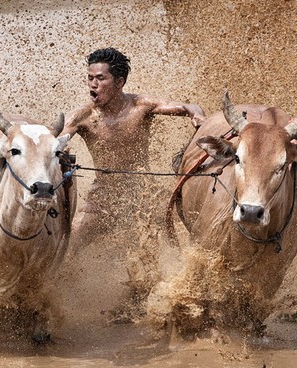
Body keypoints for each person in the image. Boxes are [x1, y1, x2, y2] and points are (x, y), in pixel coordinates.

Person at [62, 47, 206, 246]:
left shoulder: (140, 105)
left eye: (101, 79)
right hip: (103, 195)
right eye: (90, 78)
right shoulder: (83, 116)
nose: (93, 85)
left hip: (144, 191)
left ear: (119, 82)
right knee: (72, 241)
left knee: (179, 238)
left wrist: (197, 115)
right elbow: (53, 139)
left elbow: (187, 106)